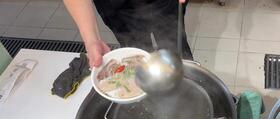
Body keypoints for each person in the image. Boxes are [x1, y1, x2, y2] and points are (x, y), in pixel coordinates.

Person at [63, 0, 192, 68]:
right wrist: (91, 40)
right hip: (118, 7)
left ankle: (186, 86)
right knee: (136, 57)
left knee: (175, 47)